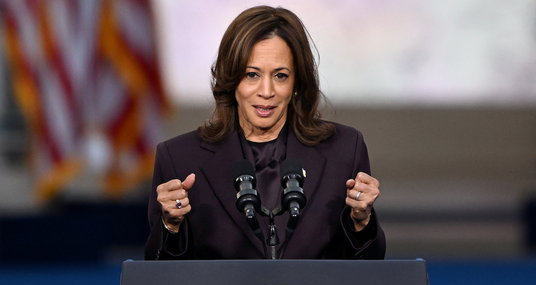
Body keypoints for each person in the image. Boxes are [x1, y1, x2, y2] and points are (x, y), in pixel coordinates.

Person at [145, 5, 386, 260]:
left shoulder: (344, 150)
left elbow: (366, 277)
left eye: (280, 76)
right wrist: (170, 227)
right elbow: (162, 282)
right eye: (252, 75)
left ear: (297, 82)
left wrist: (362, 222)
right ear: (231, 79)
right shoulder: (180, 159)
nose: (267, 91)